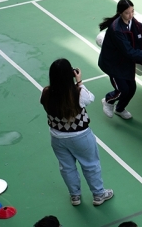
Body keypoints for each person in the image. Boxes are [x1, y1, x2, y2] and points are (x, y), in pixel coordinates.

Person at [40, 59, 113, 207]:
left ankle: (75, 196)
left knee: (67, 168)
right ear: (71, 74)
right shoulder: (78, 92)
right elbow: (90, 98)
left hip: (57, 138)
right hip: (80, 136)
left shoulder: (46, 92)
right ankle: (98, 195)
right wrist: (79, 82)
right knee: (91, 166)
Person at [98, 0, 142, 120]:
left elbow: (140, 28)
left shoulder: (131, 21)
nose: (131, 15)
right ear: (120, 13)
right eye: (127, 13)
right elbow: (128, 51)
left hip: (125, 62)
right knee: (123, 90)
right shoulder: (117, 29)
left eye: (132, 11)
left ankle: (120, 109)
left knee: (131, 89)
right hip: (113, 64)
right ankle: (108, 100)